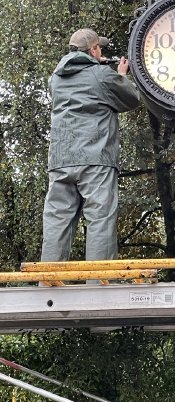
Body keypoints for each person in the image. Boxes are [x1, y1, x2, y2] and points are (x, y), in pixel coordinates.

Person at [41, 28, 140, 263]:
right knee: (100, 218)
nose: (102, 51)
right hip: (95, 158)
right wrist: (120, 75)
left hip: (61, 160)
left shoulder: (55, 78)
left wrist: (97, 66)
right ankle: (100, 286)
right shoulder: (102, 74)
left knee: (57, 220)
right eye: (100, 48)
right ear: (94, 50)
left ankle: (47, 285)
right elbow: (132, 98)